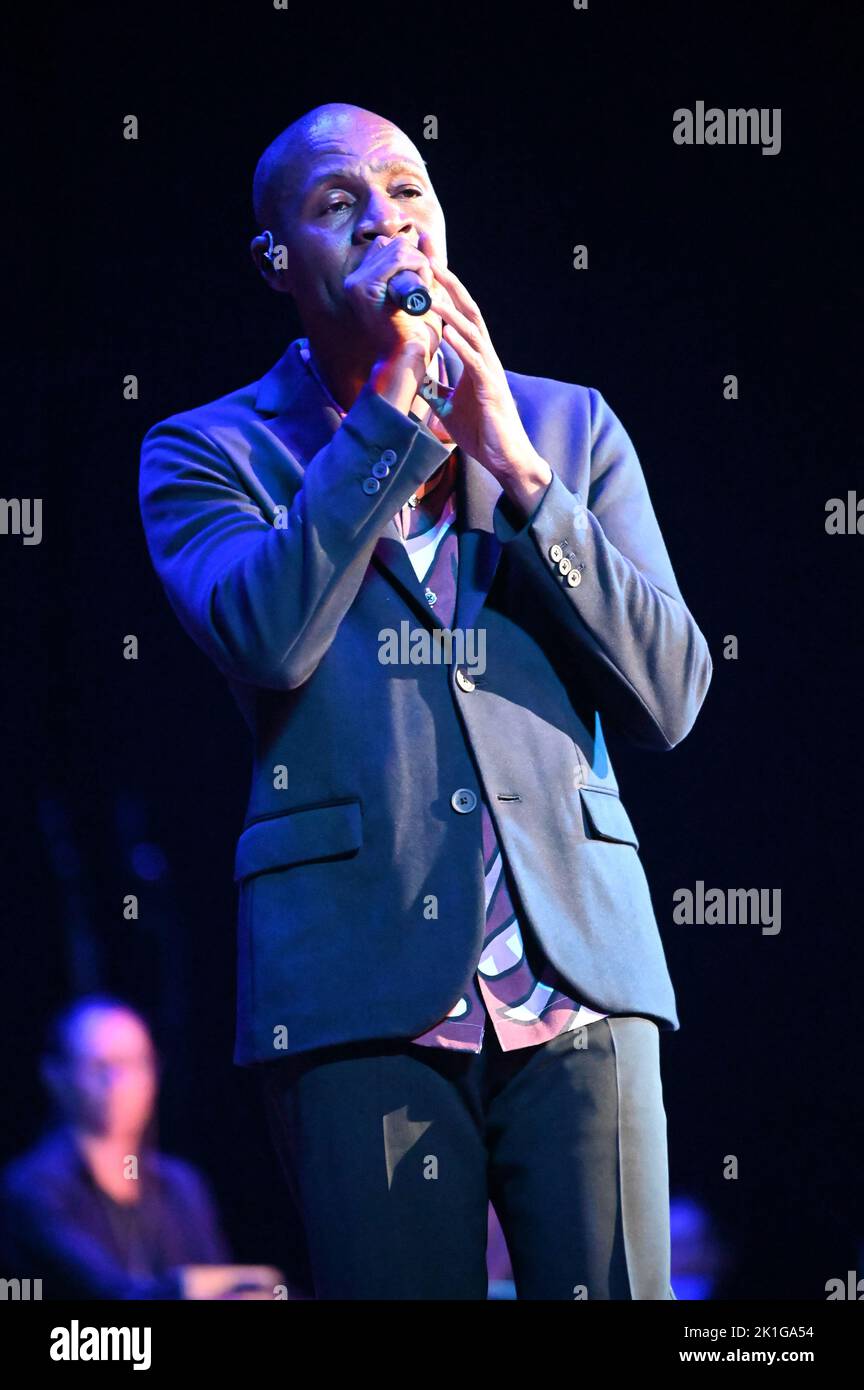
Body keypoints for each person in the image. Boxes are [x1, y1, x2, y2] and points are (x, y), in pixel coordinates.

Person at [138, 102, 712, 1299]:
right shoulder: (208, 450)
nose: (387, 223)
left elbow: (673, 689)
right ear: (276, 259)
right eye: (340, 204)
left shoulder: (567, 424)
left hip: (580, 983)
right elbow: (265, 634)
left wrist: (525, 475)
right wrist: (392, 424)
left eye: (407, 193)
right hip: (358, 991)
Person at [0, 995, 280, 1299]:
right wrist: (191, 1285)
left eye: (134, 1063)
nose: (117, 1081)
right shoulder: (32, 1189)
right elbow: (105, 1293)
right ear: (56, 1076)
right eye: (100, 1065)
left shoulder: (179, 1184)